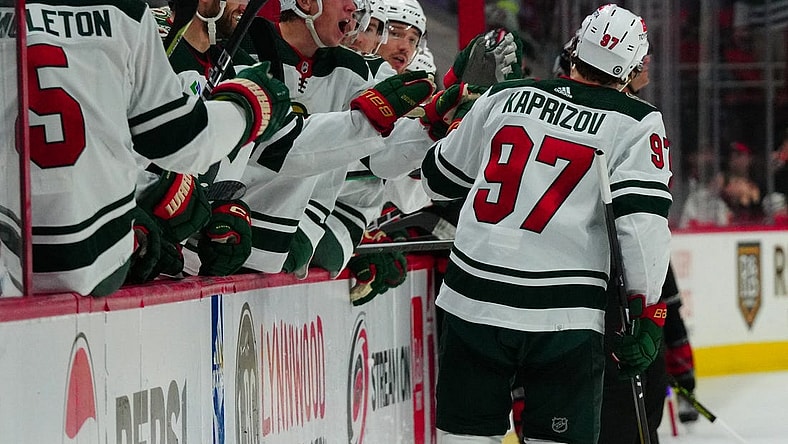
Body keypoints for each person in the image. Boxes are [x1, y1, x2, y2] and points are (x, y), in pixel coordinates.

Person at [421, 4, 672, 443]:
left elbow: (437, 180)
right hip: (564, 314)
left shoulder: (504, 96)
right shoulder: (637, 122)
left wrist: (463, 117)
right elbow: (640, 225)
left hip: (473, 299)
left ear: (575, 50)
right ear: (632, 69)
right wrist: (648, 311)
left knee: (464, 436)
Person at [25, 0, 291, 296]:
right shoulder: (125, 14)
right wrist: (249, 106)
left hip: (18, 258)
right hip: (91, 261)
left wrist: (203, 206)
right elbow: (177, 139)